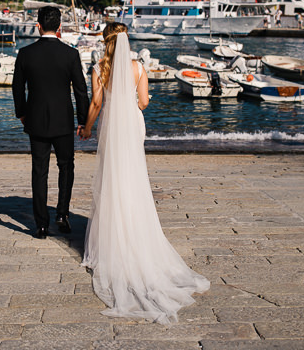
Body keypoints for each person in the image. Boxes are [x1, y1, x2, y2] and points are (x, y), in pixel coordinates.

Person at [79, 22, 209, 324]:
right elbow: (145, 102)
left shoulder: (99, 68)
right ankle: (136, 233)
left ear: (105, 41)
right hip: (132, 125)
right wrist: (131, 105)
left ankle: (112, 240)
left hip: (110, 128)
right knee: (133, 178)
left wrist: (86, 127)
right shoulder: (138, 66)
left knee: (111, 180)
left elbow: (97, 102)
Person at [12, 6, 89, 239]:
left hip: (35, 120)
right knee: (66, 167)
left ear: (38, 26)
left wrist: (21, 113)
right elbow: (81, 92)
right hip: (63, 121)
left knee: (39, 171)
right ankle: (62, 214)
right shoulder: (71, 54)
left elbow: (17, 88)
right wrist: (83, 120)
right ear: (60, 28)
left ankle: (41, 224)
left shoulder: (25, 54)